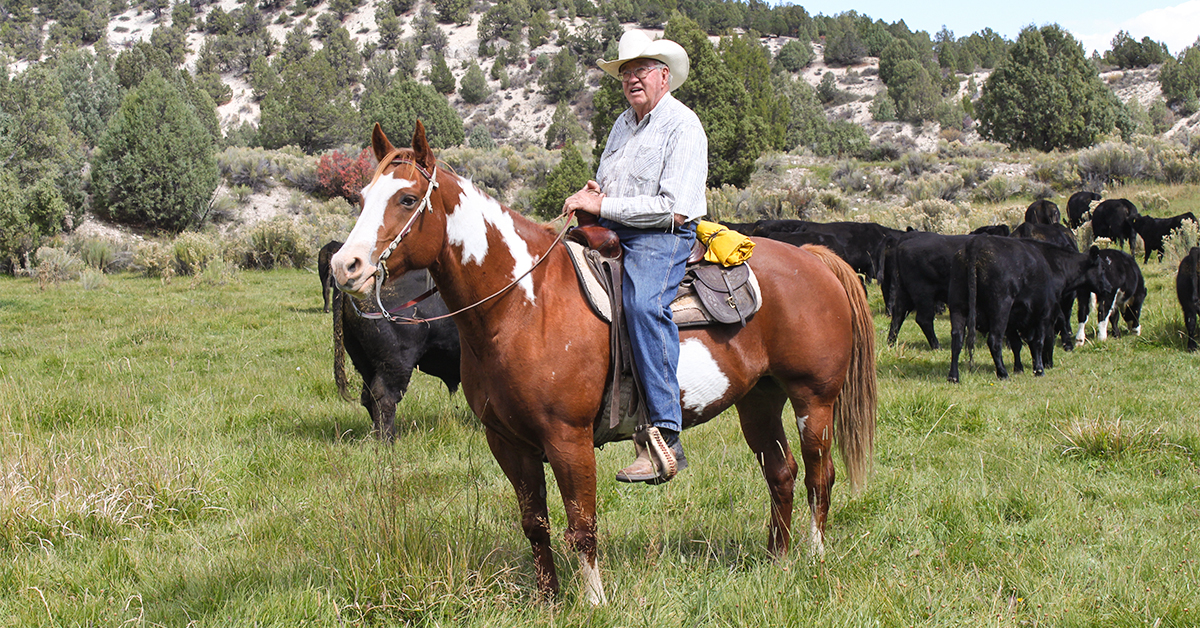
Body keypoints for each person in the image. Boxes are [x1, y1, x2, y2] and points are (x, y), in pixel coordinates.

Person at [562, 30, 708, 484]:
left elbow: (674, 206)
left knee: (645, 306)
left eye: (640, 70)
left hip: (662, 237)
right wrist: (595, 192)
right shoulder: (622, 124)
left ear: (664, 76)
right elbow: (609, 182)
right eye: (625, 73)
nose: (631, 79)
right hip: (613, 232)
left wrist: (601, 206)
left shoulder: (683, 125)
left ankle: (665, 435)